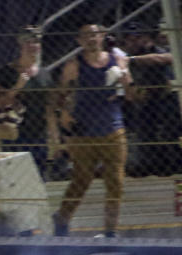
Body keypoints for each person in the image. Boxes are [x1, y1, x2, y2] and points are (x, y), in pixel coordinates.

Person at [47, 24, 132, 238]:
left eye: (95, 34)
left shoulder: (118, 60)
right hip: (83, 132)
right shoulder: (74, 65)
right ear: (79, 41)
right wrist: (64, 113)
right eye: (86, 36)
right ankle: (62, 218)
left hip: (113, 129)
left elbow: (132, 94)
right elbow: (60, 95)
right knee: (81, 180)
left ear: (103, 36)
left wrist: (125, 79)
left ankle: (110, 230)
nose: (91, 39)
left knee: (116, 182)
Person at [0, 25, 52, 178]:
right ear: (20, 44)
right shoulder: (6, 72)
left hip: (39, 135)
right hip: (14, 134)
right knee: (16, 179)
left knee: (39, 178)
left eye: (35, 41)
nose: (32, 45)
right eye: (27, 41)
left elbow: (49, 106)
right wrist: (17, 87)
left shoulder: (44, 73)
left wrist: (54, 134)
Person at [123, 23, 182, 176]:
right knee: (145, 133)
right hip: (146, 101)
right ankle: (150, 165)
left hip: (165, 99)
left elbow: (166, 58)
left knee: (169, 133)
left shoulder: (155, 52)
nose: (132, 43)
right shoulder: (126, 59)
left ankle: (173, 165)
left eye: (136, 39)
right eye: (129, 40)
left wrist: (131, 59)